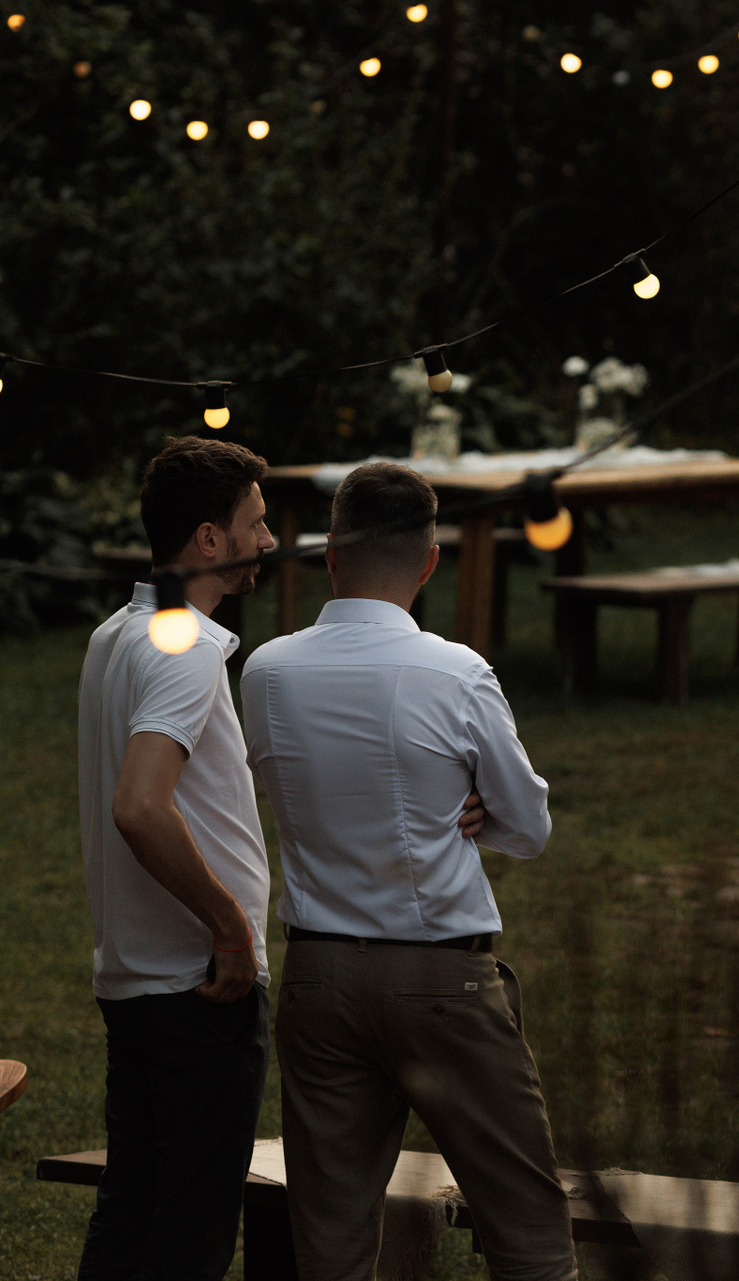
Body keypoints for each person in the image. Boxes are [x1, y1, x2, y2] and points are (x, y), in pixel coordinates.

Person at [240, 463, 572, 1280]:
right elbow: (529, 828)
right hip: (442, 980)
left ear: (330, 553)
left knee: (331, 1244)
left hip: (319, 975)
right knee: (528, 1232)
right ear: (429, 561)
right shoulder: (455, 672)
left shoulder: (267, 671)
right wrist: (478, 808)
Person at [75, 435, 277, 1279]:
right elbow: (140, 806)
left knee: (130, 1211)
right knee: (189, 1232)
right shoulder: (185, 647)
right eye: (255, 523)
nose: (268, 540)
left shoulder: (115, 633)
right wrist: (229, 926)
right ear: (208, 538)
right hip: (196, 988)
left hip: (137, 979)